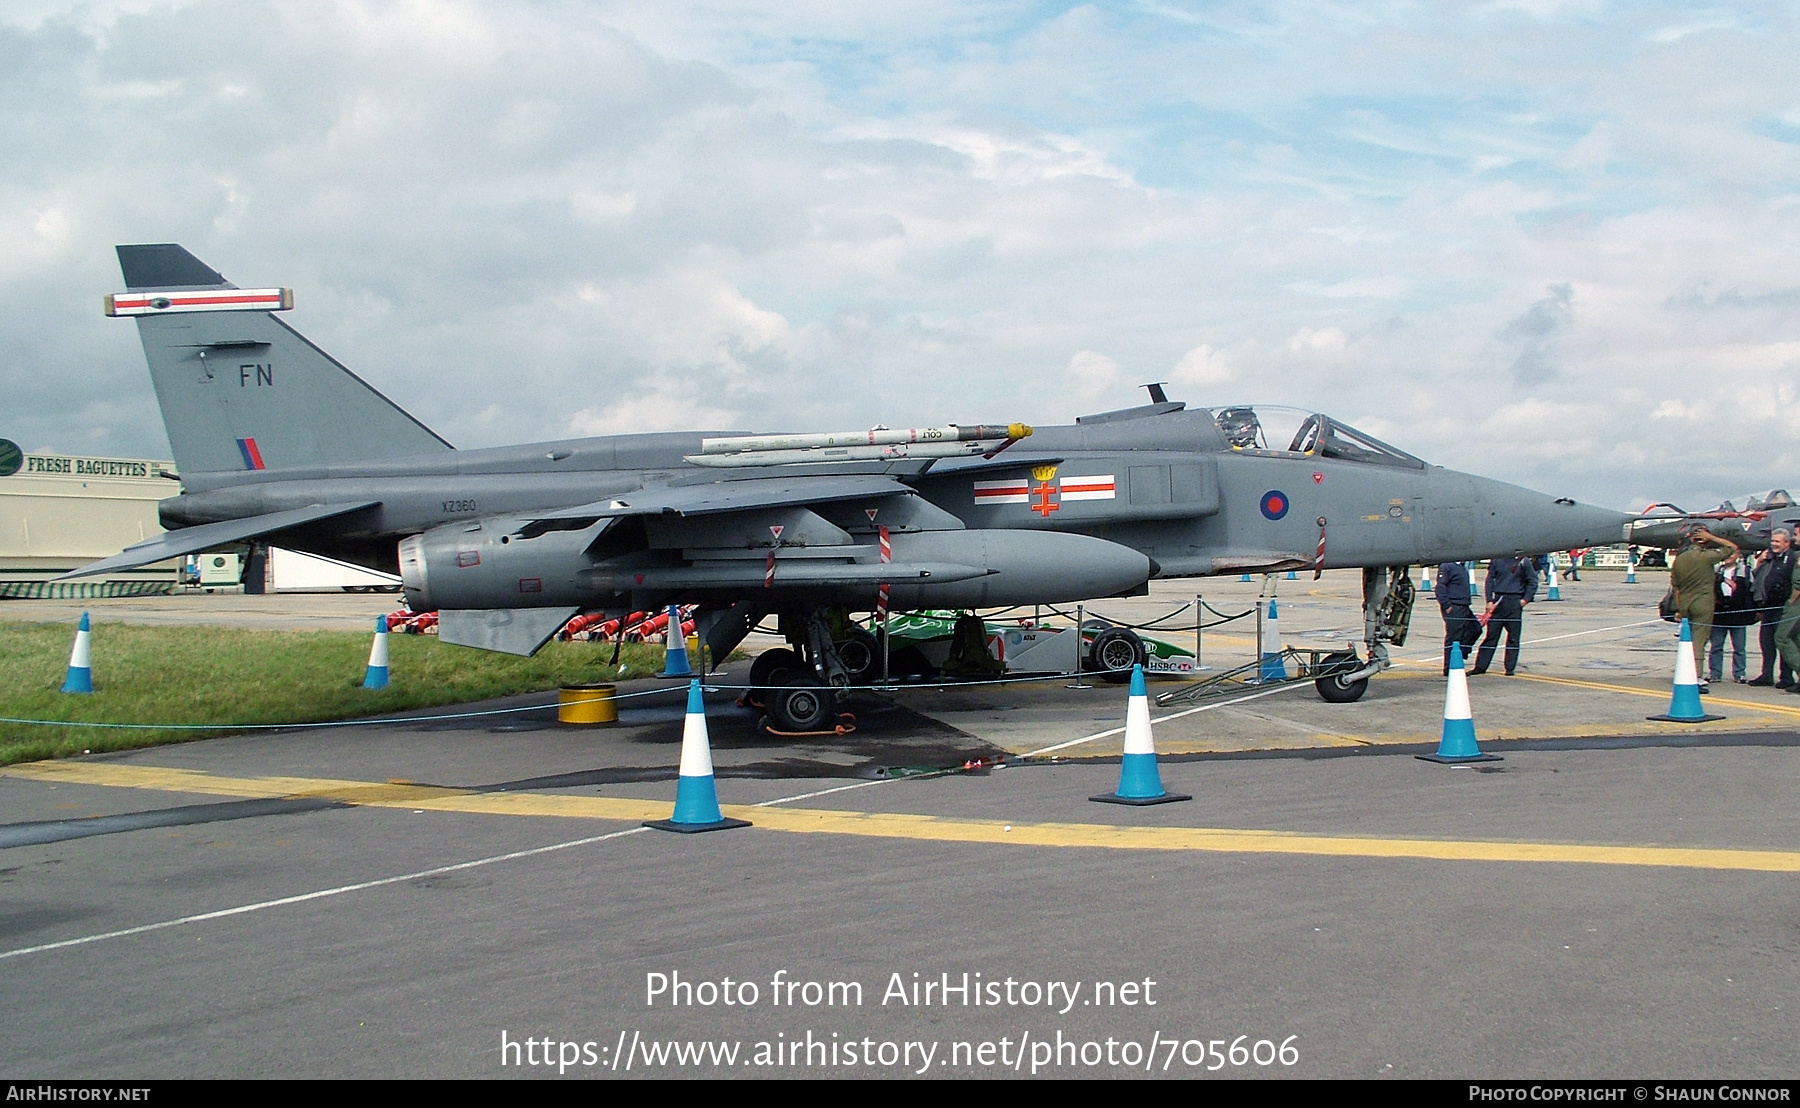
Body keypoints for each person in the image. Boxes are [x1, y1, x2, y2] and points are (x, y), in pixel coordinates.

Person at [1669, 528, 1740, 693]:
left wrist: (1679, 609)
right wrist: (1712, 537)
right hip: (1702, 603)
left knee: (1687, 641)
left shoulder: (1679, 560)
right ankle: (1696, 676)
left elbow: (1676, 587)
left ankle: (1685, 671)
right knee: (1699, 641)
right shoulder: (1704, 557)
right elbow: (1731, 548)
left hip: (1685, 603)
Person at [1472, 555, 1540, 676]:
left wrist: (1524, 600)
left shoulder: (1523, 561)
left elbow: (1533, 582)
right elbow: (1490, 580)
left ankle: (1510, 668)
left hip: (1514, 599)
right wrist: (1489, 600)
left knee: (1513, 638)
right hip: (1498, 600)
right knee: (1491, 636)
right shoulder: (1497, 559)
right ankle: (1480, 666)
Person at [1750, 527, 1796, 688]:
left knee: (1783, 641)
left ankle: (1786, 677)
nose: (1774, 544)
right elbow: (1757, 578)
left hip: (1783, 607)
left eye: (1777, 541)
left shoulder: (1792, 559)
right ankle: (1766, 674)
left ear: (1787, 543)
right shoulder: (1769, 557)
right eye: (1772, 541)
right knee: (1766, 642)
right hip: (1767, 607)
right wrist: (1760, 562)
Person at [1707, 558, 1756, 683]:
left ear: (1737, 555)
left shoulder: (1744, 571)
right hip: (1719, 614)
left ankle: (1739, 673)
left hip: (1738, 614)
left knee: (1739, 647)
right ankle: (1715, 672)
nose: (1728, 557)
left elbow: (1751, 589)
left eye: (1731, 554)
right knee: (1716, 646)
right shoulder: (1717, 570)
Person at [1436, 560, 1482, 674]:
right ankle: (1449, 667)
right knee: (1454, 637)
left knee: (1475, 629)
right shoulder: (1447, 565)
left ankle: (1462, 652)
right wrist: (1447, 605)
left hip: (1464, 605)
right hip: (1455, 606)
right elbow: (1440, 588)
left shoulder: (1461, 566)